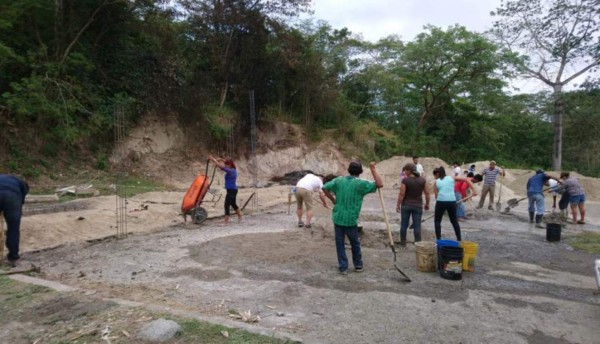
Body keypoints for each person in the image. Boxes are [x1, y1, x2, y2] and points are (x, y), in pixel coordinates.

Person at [323, 161, 383, 275]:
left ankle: (343, 267)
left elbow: (324, 187)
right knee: (354, 243)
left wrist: (332, 199)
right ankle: (358, 265)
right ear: (360, 172)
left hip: (338, 217)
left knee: (340, 243)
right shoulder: (361, 184)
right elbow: (379, 184)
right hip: (351, 219)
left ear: (349, 170)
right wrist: (373, 169)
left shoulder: (339, 180)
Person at [432, 167, 477, 241]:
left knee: (437, 221)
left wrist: (440, 208)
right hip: (452, 201)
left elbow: (436, 196)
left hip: (441, 202)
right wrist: (474, 190)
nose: (435, 177)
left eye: (435, 176)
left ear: (437, 174)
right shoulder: (452, 178)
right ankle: (459, 239)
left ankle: (439, 239)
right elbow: (466, 179)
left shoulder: (436, 182)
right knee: (454, 221)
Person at [395, 163, 430, 247]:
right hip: (417, 206)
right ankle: (418, 244)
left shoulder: (405, 180)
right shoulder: (422, 180)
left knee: (404, 224)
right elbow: (427, 193)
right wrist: (427, 204)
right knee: (417, 225)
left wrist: (398, 205)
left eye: (405, 171)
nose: (404, 173)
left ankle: (403, 243)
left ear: (409, 171)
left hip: (406, 205)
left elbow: (401, 194)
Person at [0, 174, 29, 267]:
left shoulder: (10, 179)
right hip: (13, 198)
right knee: (13, 228)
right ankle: (13, 257)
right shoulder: (22, 184)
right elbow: (22, 198)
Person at [208, 156, 242, 225]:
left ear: (230, 165)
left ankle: (225, 222)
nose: (225, 165)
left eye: (227, 164)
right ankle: (240, 216)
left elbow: (221, 167)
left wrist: (213, 159)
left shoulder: (231, 171)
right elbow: (226, 164)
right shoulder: (232, 169)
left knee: (226, 205)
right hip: (233, 190)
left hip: (232, 190)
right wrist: (222, 160)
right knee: (233, 204)